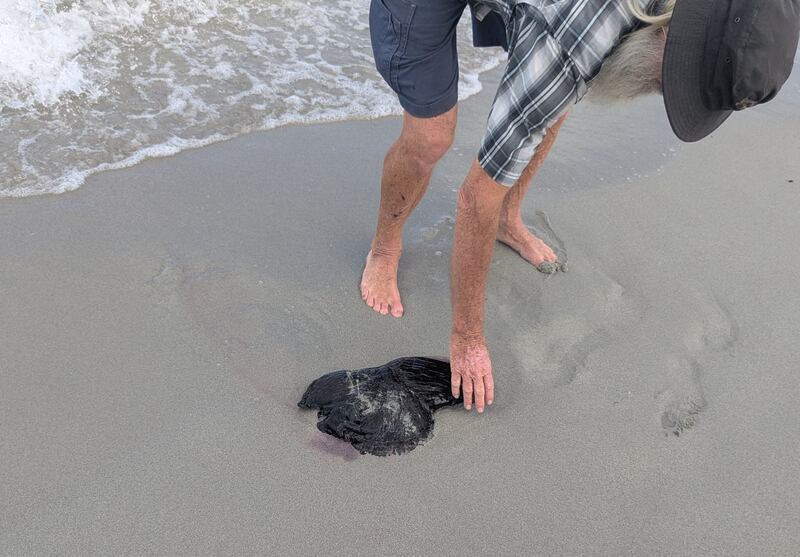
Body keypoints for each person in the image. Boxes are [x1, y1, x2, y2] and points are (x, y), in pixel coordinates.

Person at [361, 0, 800, 413]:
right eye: (673, 82)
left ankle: (509, 220)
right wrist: (467, 338)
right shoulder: (569, 44)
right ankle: (384, 247)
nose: (662, 92)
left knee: (553, 97)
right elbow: (476, 197)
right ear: (668, 37)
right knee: (432, 136)